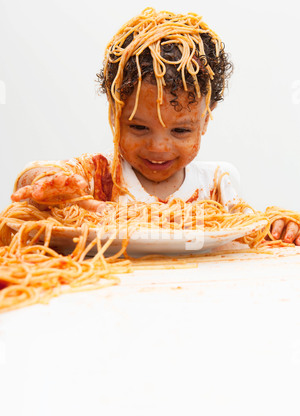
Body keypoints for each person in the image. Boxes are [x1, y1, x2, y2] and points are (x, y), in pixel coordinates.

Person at [10, 8, 300, 245]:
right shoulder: (99, 176)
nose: (158, 147)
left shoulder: (215, 184)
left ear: (205, 121)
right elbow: (31, 178)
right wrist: (47, 180)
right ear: (114, 114)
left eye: (181, 131)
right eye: (138, 127)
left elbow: (250, 232)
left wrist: (278, 226)